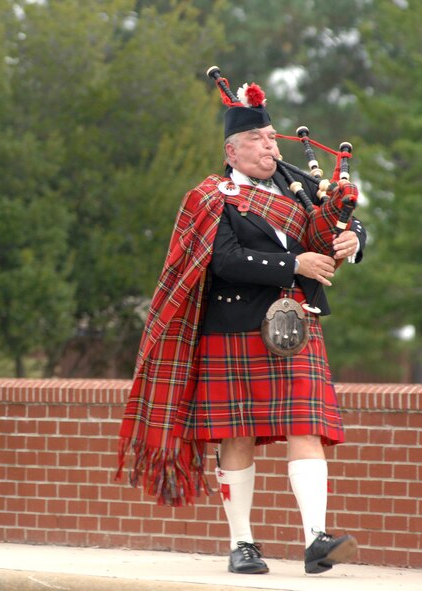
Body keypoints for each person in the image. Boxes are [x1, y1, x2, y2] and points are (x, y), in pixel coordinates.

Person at [117, 77, 366, 575]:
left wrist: (351, 243)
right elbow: (223, 260)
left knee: (307, 425)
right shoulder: (213, 197)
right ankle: (242, 543)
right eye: (259, 139)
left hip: (296, 324)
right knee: (238, 434)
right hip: (234, 326)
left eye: (273, 137)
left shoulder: (297, 185)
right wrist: (294, 266)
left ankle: (317, 538)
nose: (271, 146)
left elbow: (340, 222)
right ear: (232, 150)